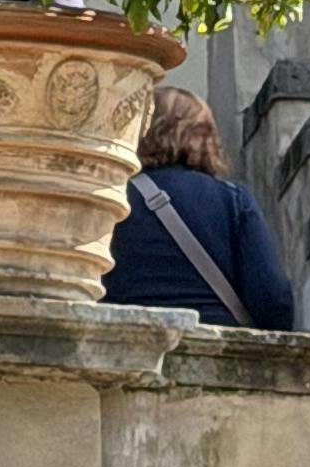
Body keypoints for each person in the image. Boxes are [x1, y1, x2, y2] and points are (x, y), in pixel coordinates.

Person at [102, 90, 297, 331]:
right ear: (206, 137)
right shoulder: (232, 200)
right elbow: (274, 300)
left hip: (126, 339)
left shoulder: (112, 198)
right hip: (218, 340)